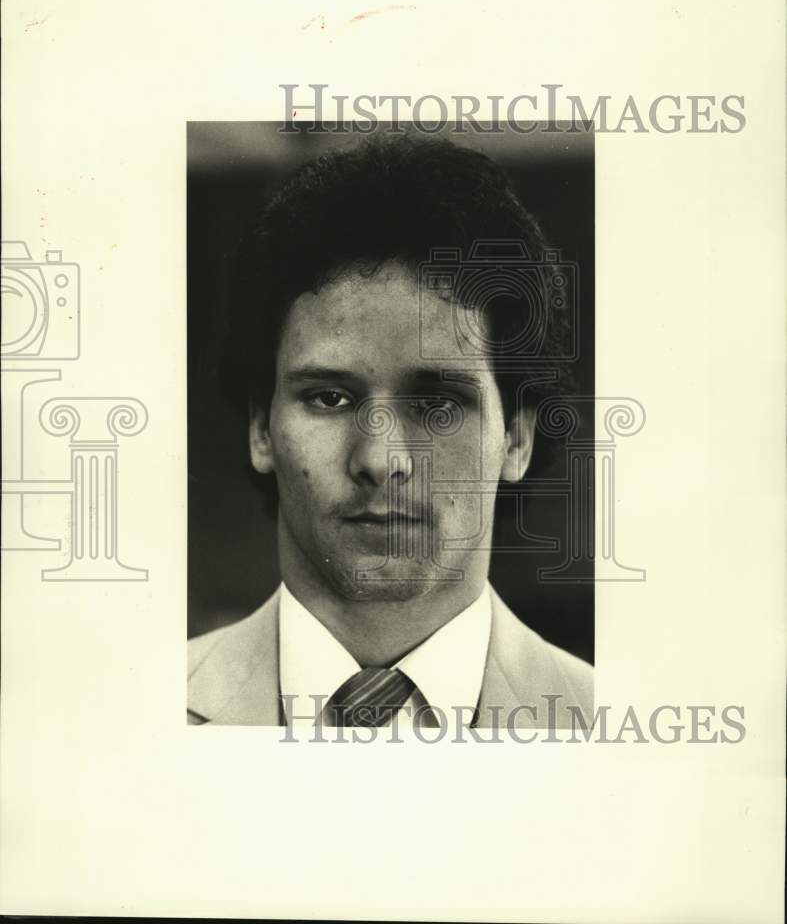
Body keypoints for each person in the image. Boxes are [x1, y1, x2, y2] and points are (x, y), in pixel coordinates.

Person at [187, 133, 593, 733]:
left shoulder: (615, 731)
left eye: (436, 404)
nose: (379, 458)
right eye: (328, 397)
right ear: (260, 428)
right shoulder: (123, 719)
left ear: (516, 438)